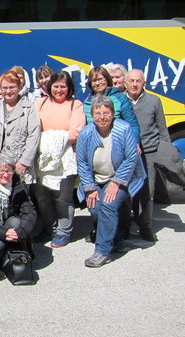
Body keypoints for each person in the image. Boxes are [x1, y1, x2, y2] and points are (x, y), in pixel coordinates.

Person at [76, 95, 146, 267]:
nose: (102, 117)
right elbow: (82, 162)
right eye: (98, 113)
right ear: (92, 114)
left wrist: (116, 183)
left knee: (108, 205)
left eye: (106, 113)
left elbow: (131, 158)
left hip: (121, 178)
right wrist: (90, 188)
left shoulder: (124, 129)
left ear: (113, 114)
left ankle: (102, 251)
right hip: (95, 179)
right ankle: (117, 240)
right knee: (94, 208)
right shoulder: (85, 133)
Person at [35, 71, 86, 246]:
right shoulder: (40, 103)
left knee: (62, 197)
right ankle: (51, 228)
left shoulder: (75, 105)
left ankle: (64, 231)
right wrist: (48, 142)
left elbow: (76, 132)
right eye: (56, 86)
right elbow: (33, 129)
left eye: (63, 86)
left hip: (65, 159)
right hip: (42, 159)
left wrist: (49, 138)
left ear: (69, 88)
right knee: (42, 197)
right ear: (50, 87)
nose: (59, 90)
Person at [125, 69, 177, 241]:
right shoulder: (119, 101)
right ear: (125, 83)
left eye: (138, 81)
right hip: (126, 154)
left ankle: (145, 226)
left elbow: (162, 129)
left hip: (149, 152)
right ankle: (124, 225)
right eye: (131, 81)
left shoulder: (154, 100)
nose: (134, 84)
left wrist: (167, 155)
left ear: (144, 83)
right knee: (125, 191)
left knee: (148, 191)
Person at [0, 70, 41, 185]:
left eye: (12, 87)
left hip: (18, 167)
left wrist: (24, 162)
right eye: (4, 87)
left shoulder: (28, 109)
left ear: (19, 87)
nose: (8, 91)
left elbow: (33, 137)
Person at [0, 154, 37, 264]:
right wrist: (3, 232)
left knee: (17, 222)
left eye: (9, 171)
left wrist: (20, 231)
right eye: (2, 171)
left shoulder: (18, 185)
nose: (6, 175)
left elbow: (29, 212)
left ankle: (15, 254)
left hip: (10, 225)